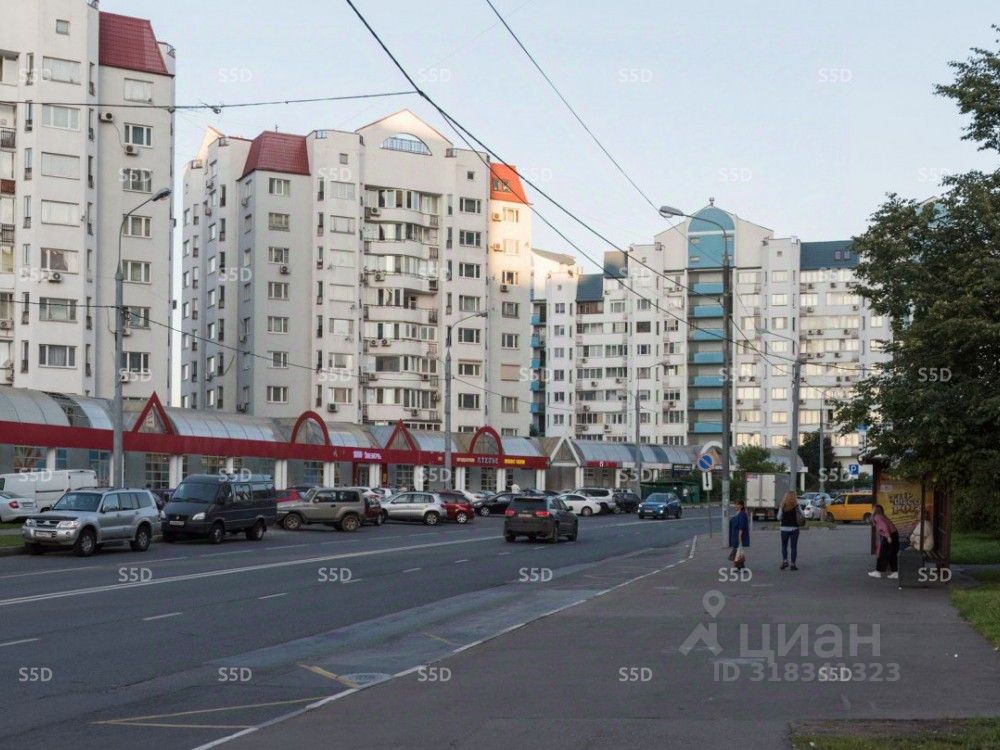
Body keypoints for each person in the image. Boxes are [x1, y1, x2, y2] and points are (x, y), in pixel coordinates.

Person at [870, 504, 900, 579]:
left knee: (883, 553)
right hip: (894, 534)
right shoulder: (882, 516)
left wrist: (888, 537)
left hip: (889, 535)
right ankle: (895, 572)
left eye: (873, 509)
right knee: (892, 554)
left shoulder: (877, 516)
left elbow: (884, 526)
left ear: (875, 510)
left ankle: (878, 572)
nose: (871, 510)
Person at [778, 491, 802, 571]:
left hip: (784, 529)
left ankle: (785, 561)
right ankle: (793, 564)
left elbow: (778, 517)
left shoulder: (782, 506)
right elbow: (802, 514)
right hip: (794, 528)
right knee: (793, 547)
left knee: (784, 546)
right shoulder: (797, 506)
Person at [728, 500, 750, 566]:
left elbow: (741, 526)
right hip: (735, 535)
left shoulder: (742, 514)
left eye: (737, 504)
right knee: (737, 551)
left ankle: (738, 565)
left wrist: (739, 537)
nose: (735, 506)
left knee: (737, 551)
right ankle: (740, 565)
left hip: (738, 536)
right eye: (735, 504)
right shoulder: (737, 513)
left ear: (741, 506)